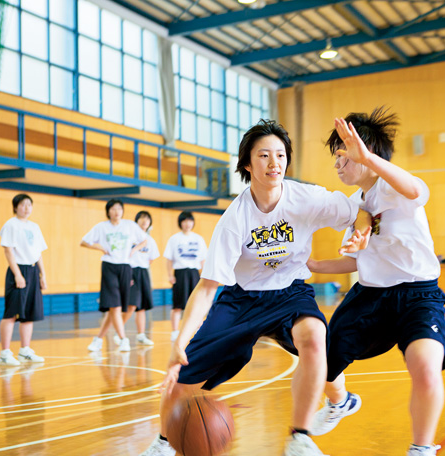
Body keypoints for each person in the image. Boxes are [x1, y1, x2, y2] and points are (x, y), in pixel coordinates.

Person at [139, 119, 370, 456]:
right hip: (241, 299)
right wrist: (180, 342)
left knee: (315, 339)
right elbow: (206, 287)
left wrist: (361, 233)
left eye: (280, 154)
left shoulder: (306, 198)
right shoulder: (235, 219)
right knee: (180, 378)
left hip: (290, 291)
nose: (274, 163)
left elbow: (359, 212)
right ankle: (162, 443)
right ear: (247, 164)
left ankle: (301, 436)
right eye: (263, 155)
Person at [306, 109, 445, 456]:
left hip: (418, 295)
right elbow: (355, 261)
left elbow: (416, 191)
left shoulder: (396, 186)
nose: (337, 165)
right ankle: (341, 402)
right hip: (370, 296)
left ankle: (421, 448)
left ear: (364, 151)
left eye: (342, 156)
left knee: (426, 368)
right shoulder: (357, 204)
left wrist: (369, 158)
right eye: (336, 160)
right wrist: (310, 263)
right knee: (322, 364)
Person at [81, 199, 147, 352]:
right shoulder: (102, 227)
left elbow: (144, 240)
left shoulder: (130, 225)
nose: (117, 211)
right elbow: (83, 242)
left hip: (125, 267)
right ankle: (123, 339)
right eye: (113, 209)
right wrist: (99, 247)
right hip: (109, 266)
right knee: (114, 306)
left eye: (119, 208)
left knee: (116, 309)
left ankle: (98, 339)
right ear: (108, 211)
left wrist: (133, 250)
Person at [0, 194, 48, 365]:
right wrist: (18, 274)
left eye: (29, 205)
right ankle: (5, 353)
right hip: (18, 270)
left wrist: (43, 274)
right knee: (12, 313)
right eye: (23, 205)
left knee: (29, 314)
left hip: (33, 270)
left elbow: (38, 252)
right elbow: (8, 251)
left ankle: (24, 350)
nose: (26, 208)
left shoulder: (35, 227)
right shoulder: (11, 225)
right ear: (15, 207)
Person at [105, 211, 160, 347]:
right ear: (136, 221)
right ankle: (119, 333)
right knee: (131, 305)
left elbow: (152, 258)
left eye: (147, 219)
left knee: (141, 307)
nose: (144, 221)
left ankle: (141, 334)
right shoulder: (128, 237)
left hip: (143, 272)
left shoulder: (150, 240)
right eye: (141, 219)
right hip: (130, 271)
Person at [162, 211, 207, 342]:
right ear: (180, 223)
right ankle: (175, 331)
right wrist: (170, 275)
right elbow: (169, 260)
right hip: (180, 273)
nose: (187, 224)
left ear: (193, 222)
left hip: (194, 273)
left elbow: (203, 260)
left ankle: (199, 329)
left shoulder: (198, 239)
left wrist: (204, 276)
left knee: (196, 304)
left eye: (190, 221)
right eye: (184, 221)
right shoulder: (174, 239)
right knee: (177, 305)